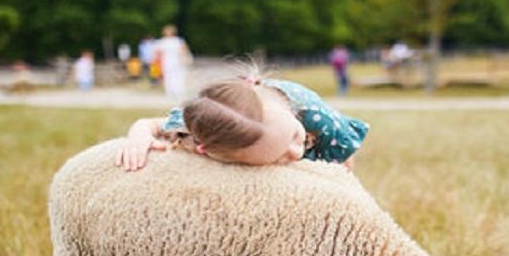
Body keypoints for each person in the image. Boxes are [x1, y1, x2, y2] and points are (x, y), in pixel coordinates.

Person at [116, 73, 369, 172]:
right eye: (278, 156)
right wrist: (138, 137)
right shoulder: (205, 121)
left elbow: (344, 160)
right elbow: (148, 124)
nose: (295, 152)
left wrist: (342, 178)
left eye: (294, 136)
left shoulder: (317, 119)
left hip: (312, 124)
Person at [155, 25, 192, 99]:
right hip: (167, 61)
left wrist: (185, 57)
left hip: (178, 61)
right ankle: (170, 92)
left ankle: (179, 92)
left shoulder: (178, 40)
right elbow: (158, 53)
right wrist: (158, 63)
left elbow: (185, 50)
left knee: (179, 76)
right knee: (168, 77)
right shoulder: (162, 41)